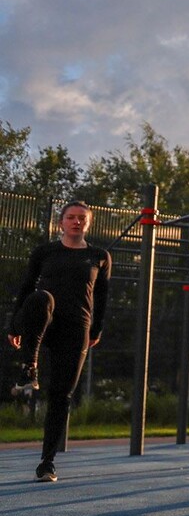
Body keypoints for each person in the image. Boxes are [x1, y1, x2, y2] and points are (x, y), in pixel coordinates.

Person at [7, 201, 110, 482]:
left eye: (82, 218)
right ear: (61, 222)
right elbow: (26, 287)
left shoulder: (99, 256)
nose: (76, 222)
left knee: (61, 395)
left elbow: (102, 296)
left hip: (76, 328)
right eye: (71, 217)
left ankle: (47, 463)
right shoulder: (44, 252)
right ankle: (29, 367)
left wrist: (96, 330)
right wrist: (13, 325)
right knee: (42, 297)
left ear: (88, 223)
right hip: (43, 319)